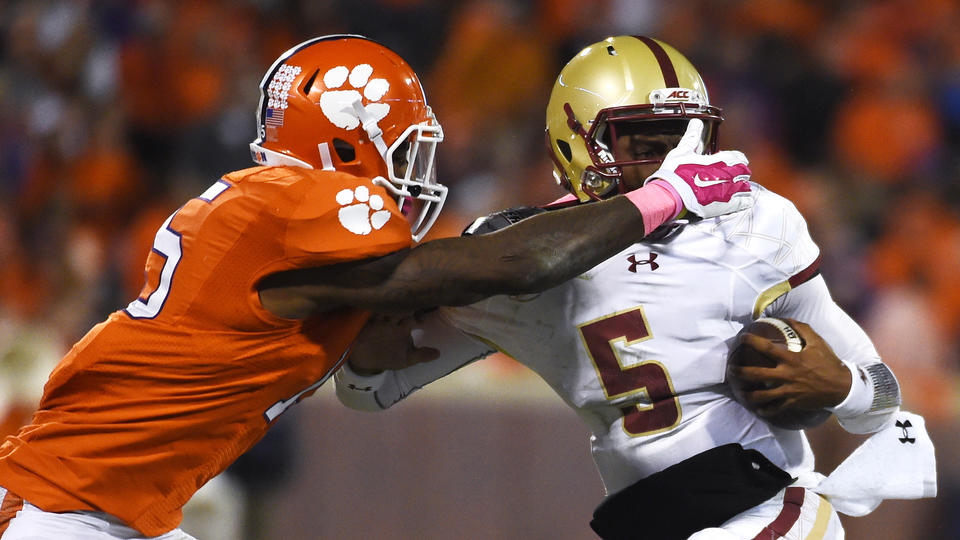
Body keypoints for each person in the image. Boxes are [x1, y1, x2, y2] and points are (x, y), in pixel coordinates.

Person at [0, 34, 753, 540]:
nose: (410, 174)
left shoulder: (270, 213)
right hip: (61, 511)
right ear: (341, 134)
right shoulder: (300, 201)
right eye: (401, 147)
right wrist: (664, 196)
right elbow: (513, 265)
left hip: (91, 507)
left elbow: (399, 313)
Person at [335, 36, 934, 539]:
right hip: (655, 520)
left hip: (766, 509)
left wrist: (847, 388)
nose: (677, 161)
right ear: (580, 145)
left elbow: (880, 394)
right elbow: (370, 389)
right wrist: (366, 358)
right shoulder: (523, 251)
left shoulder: (755, 222)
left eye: (689, 139)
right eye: (647, 142)